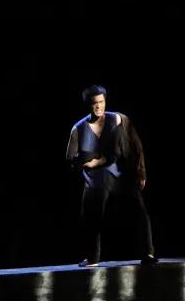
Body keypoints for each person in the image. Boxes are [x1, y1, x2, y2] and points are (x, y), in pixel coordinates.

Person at [65, 84, 157, 266]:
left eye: (101, 102)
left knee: (138, 211)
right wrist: (89, 162)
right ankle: (92, 257)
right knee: (91, 216)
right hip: (95, 180)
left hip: (121, 175)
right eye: (94, 103)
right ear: (87, 105)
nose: (98, 106)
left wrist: (141, 172)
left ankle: (148, 253)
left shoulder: (118, 119)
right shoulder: (78, 128)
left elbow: (136, 146)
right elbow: (70, 158)